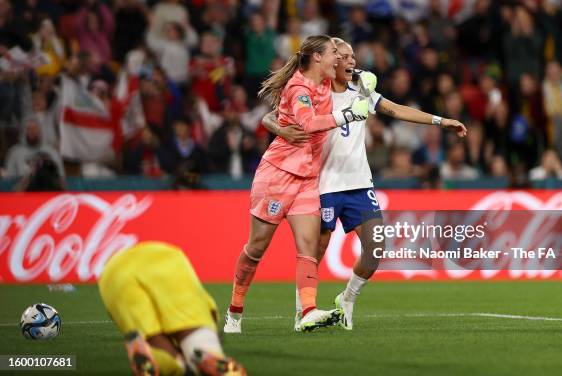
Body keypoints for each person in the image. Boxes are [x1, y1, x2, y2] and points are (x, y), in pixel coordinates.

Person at [263, 38, 467, 330]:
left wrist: (441, 120)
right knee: (316, 251)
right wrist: (281, 129)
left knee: (376, 248)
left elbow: (396, 110)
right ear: (330, 62)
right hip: (323, 183)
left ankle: (346, 298)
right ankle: (302, 311)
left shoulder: (362, 89)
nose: (350, 62)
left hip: (359, 182)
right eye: (343, 56)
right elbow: (271, 115)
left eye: (352, 57)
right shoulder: (313, 91)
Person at [223, 35, 369, 334]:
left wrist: (367, 82)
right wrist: (348, 115)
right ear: (317, 57)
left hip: (307, 179)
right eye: (333, 54)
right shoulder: (298, 86)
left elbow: (270, 116)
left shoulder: (327, 82)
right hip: (278, 175)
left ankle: (308, 311)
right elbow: (307, 123)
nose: (338, 60)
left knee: (308, 248)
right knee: (256, 248)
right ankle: (234, 312)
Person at [99, 241, 246, 376]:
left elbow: (211, 312)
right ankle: (202, 352)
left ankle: (169, 361)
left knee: (151, 335)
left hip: (112, 274)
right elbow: (209, 312)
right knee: (192, 330)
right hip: (163, 258)